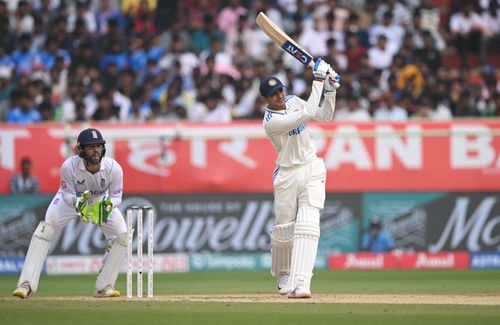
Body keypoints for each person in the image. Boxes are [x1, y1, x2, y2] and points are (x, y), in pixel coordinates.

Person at [13, 128, 127, 299]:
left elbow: (117, 196)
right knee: (45, 230)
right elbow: (66, 193)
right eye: (90, 147)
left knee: (121, 236)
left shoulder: (114, 168)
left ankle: (104, 286)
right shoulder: (69, 165)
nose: (95, 150)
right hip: (70, 201)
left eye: (98, 146)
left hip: (99, 201)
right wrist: (76, 202)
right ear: (80, 149)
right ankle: (25, 284)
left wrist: (108, 204)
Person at [261, 58, 340, 299]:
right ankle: (284, 273)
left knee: (308, 224)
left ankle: (301, 283)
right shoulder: (271, 122)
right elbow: (306, 114)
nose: (279, 95)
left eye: (280, 90)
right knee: (285, 228)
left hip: (312, 167)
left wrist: (329, 90)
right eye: (273, 94)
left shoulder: (293, 100)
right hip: (287, 173)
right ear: (265, 99)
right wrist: (318, 78)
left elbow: (324, 115)